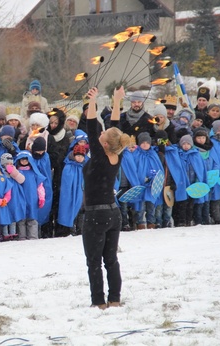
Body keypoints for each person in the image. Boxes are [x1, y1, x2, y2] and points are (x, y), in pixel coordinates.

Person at [82, 86, 131, 309]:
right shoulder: (116, 154)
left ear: (103, 144)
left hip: (96, 215)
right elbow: (115, 129)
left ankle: (98, 302)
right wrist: (116, 100)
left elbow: (92, 127)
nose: (101, 133)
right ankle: (115, 300)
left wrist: (92, 101)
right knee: (110, 260)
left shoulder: (101, 157)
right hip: (113, 213)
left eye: (102, 136)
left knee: (94, 262)